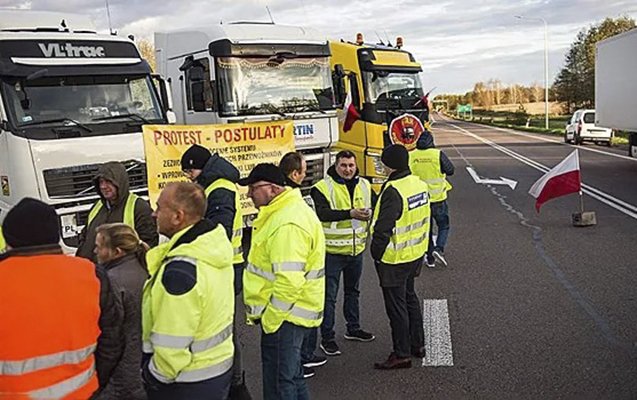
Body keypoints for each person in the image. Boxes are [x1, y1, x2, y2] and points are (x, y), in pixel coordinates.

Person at [0, 198, 123, 398]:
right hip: (81, 393)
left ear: (9, 240)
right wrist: (93, 384)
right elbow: (112, 343)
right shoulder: (91, 275)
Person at [239, 163, 325, 400]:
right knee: (292, 378)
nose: (249, 194)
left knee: (279, 384)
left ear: (273, 189)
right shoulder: (285, 212)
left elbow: (289, 281)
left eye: (254, 188)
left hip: (286, 317)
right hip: (292, 314)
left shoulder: (287, 223)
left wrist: (271, 320)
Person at [142, 182, 235, 400]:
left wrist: (152, 376)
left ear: (177, 217)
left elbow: (171, 344)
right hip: (216, 371)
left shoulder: (179, 271)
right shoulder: (211, 247)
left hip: (186, 383)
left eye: (159, 208)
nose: (154, 214)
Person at [181, 144, 251, 399]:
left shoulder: (219, 187)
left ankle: (235, 381)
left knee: (226, 328)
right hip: (225, 264)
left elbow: (218, 229)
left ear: (199, 167)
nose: (189, 176)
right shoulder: (215, 184)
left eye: (190, 171)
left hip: (225, 266)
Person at [310, 150, 375, 359]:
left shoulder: (365, 185)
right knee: (328, 299)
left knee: (353, 292)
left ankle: (353, 328)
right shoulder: (321, 188)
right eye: (343, 165)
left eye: (351, 166)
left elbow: (376, 205)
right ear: (335, 166)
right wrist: (350, 214)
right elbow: (321, 214)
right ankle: (327, 338)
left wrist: (370, 213)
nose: (348, 169)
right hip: (332, 252)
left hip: (356, 251)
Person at [371, 144, 429, 370]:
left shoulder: (393, 190)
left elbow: (383, 228)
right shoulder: (418, 184)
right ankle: (418, 344)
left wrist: (376, 254)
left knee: (397, 307)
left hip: (394, 257)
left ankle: (402, 353)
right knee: (410, 299)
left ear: (389, 165)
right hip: (414, 253)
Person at [279, 152, 326, 379]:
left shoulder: (292, 197)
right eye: (305, 171)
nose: (306, 174)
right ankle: (300, 362)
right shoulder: (290, 200)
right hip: (300, 279)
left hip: (308, 276)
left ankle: (304, 358)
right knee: (297, 323)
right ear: (295, 173)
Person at [93, 223, 149, 399]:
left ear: (117, 252)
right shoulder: (144, 269)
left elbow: (109, 333)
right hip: (142, 364)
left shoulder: (111, 281)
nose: (95, 251)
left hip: (120, 374)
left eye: (99, 247)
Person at [77, 161, 158, 262]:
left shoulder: (139, 207)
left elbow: (149, 244)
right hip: (91, 272)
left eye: (108, 181)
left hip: (122, 273)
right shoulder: (97, 206)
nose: (103, 186)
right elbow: (84, 237)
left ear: (119, 182)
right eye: (101, 182)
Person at [409, 133, 454, 267]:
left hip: (420, 200)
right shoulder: (437, 154)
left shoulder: (411, 155)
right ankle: (439, 248)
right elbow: (450, 170)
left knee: (426, 229)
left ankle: (430, 258)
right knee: (443, 225)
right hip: (438, 198)